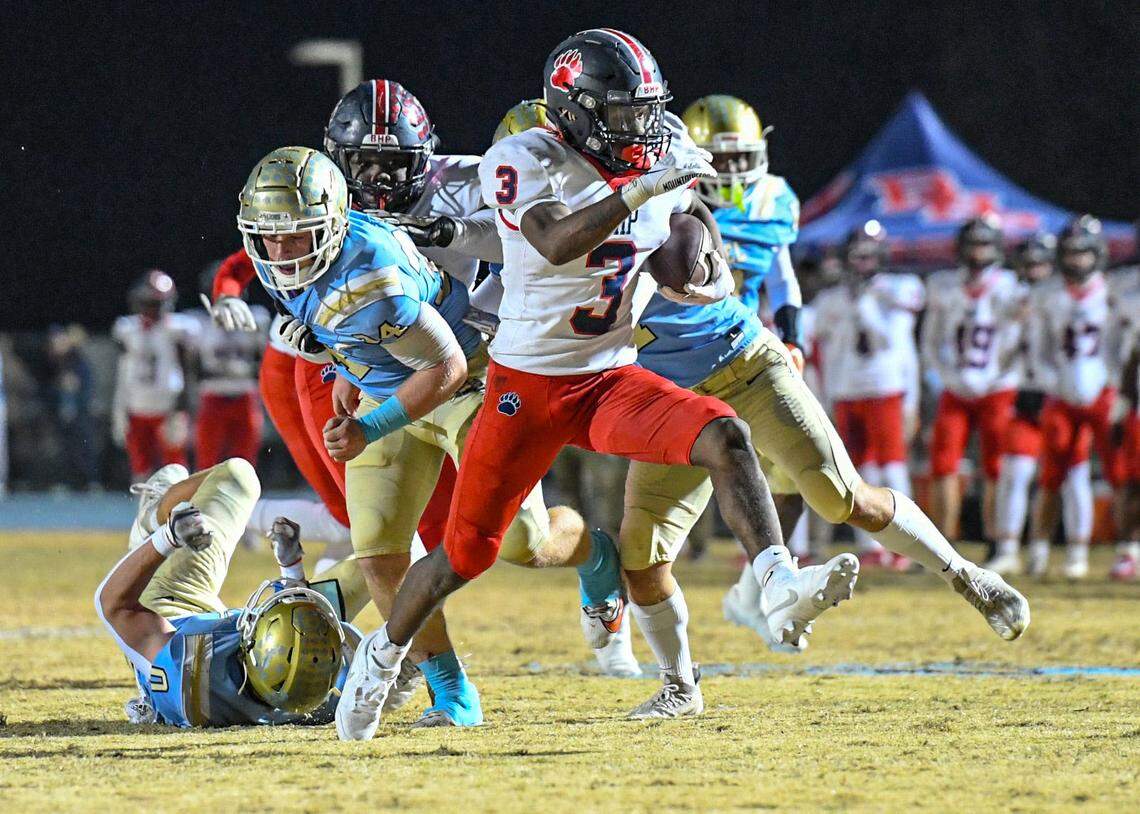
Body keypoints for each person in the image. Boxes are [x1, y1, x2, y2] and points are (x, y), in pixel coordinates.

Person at [335, 30, 1028, 739]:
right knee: (470, 551)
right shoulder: (524, 157)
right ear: (572, 111)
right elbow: (552, 242)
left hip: (610, 377)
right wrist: (644, 189)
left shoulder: (654, 158)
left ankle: (777, 582)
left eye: (644, 111)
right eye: (621, 112)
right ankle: (382, 658)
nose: (639, 128)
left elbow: (690, 218)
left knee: (725, 436)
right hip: (528, 386)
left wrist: (708, 254)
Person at [236, 146, 614, 728]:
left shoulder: (372, 278)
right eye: (270, 238)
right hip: (390, 387)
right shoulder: (308, 259)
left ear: (332, 225)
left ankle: (596, 554)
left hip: (467, 383)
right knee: (380, 553)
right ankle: (452, 694)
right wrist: (344, 370)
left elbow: (446, 370)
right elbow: (346, 331)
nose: (281, 254)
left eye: (297, 237)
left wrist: (368, 425)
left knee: (522, 542)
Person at [94, 458, 372, 727]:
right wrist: (291, 570)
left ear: (250, 646)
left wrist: (169, 536)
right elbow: (299, 652)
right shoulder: (313, 694)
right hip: (230, 661)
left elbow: (112, 604)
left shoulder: (187, 665)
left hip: (174, 603)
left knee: (238, 475)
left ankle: (153, 516)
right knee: (381, 559)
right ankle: (402, 657)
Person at [811, 221, 924, 570]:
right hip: (846, 389)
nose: (862, 262)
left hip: (884, 387)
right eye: (856, 256)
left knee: (892, 468)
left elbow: (893, 341)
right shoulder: (832, 298)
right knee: (855, 473)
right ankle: (871, 545)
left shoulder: (898, 288)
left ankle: (910, 542)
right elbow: (815, 334)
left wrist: (867, 301)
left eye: (868, 255)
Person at [1031, 216, 1126, 579]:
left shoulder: (1113, 292)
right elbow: (1039, 350)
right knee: (1053, 476)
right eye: (1070, 253)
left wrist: (1117, 385)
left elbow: (1122, 346)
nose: (1076, 261)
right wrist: (1052, 382)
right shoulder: (1049, 295)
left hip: (1103, 392)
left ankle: (1124, 551)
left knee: (1120, 475)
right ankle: (1040, 549)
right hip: (1062, 395)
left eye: (1083, 253)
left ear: (1097, 255)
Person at [922, 216, 1022, 541]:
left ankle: (996, 540)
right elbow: (931, 339)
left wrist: (1002, 376)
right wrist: (945, 376)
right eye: (973, 245)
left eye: (984, 245)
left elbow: (1021, 341)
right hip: (956, 386)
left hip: (998, 386)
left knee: (995, 466)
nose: (978, 253)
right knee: (943, 464)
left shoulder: (1011, 286)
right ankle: (941, 543)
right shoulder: (943, 285)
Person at [988, 233, 1060, 576]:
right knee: (1014, 474)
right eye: (1030, 264)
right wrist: (1017, 323)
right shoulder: (1012, 300)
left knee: (1063, 479)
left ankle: (1052, 550)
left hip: (1062, 397)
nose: (1035, 271)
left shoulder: (1066, 299)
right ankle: (1009, 548)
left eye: (1041, 264)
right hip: (1027, 396)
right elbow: (1001, 354)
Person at [112, 271, 198, 482]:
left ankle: (178, 511)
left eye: (156, 303)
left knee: (176, 469)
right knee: (141, 470)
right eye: (148, 302)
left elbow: (189, 369)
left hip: (167, 407)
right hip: (136, 406)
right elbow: (123, 371)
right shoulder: (127, 329)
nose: (151, 309)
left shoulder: (179, 329)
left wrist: (184, 406)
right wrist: (119, 409)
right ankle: (143, 511)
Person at [192, 265, 269, 468]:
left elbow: (264, 362)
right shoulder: (198, 324)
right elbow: (192, 366)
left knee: (245, 462)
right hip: (212, 396)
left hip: (245, 395)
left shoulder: (256, 319)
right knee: (207, 460)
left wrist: (246, 370)